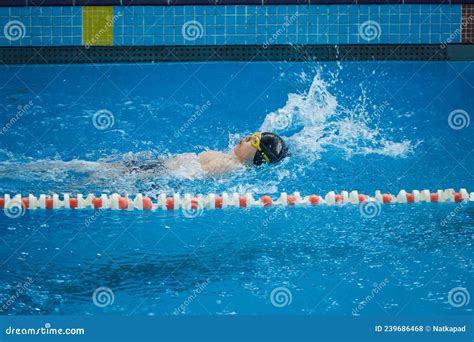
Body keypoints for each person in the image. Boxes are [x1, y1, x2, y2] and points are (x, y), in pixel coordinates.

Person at [123, 131, 289, 177]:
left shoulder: (230, 166)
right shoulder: (231, 159)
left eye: (252, 141)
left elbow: (192, 175)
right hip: (161, 167)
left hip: (159, 173)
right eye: (251, 135)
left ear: (258, 157)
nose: (245, 138)